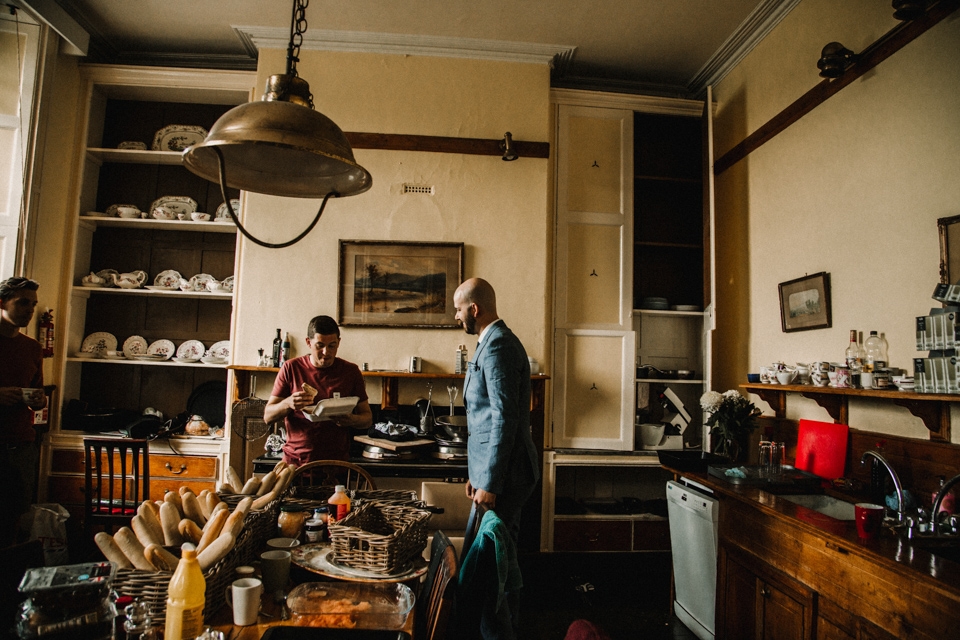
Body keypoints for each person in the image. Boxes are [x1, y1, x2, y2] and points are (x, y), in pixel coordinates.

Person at [454, 278, 539, 543]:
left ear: (474, 309)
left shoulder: (499, 346)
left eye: (459, 309)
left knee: (493, 561)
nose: (457, 316)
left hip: (508, 475)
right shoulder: (489, 342)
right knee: (485, 558)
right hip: (494, 472)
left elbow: (504, 418)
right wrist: (478, 474)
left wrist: (490, 482)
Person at [264, 315, 372, 465]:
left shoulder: (351, 371)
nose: (326, 352)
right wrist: (288, 403)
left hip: (336, 464)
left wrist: (351, 420)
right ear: (308, 342)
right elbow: (267, 417)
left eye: (332, 346)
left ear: (339, 342)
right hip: (295, 464)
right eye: (320, 345)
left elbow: (367, 419)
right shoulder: (291, 368)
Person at [0, 277, 46, 548]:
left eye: (33, 304)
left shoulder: (32, 348)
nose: (30, 309)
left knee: (13, 521)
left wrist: (38, 400)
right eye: (23, 303)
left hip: (21, 445)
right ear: (2, 302)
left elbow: (36, 394)